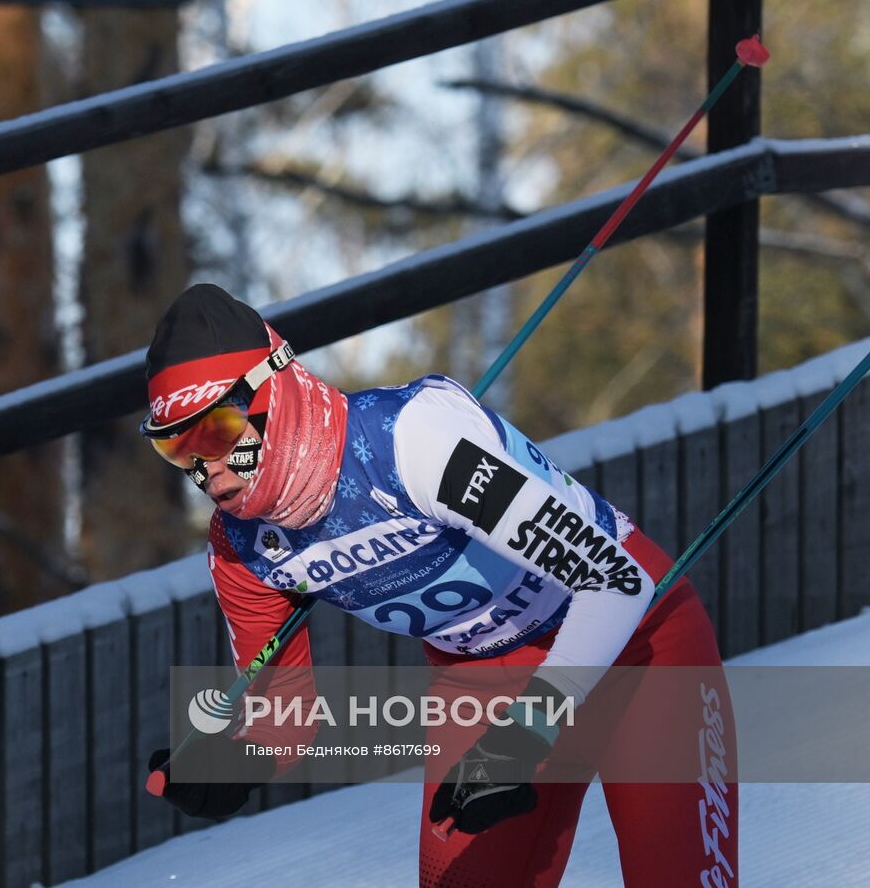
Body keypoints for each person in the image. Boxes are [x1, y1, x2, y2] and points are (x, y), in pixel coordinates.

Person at [139, 284, 737, 888]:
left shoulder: (414, 441)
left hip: (639, 646)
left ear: (273, 390)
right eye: (175, 447)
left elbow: (616, 582)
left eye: (216, 429)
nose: (203, 466)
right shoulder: (241, 548)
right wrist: (239, 762)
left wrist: (530, 728)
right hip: (483, 678)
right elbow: (284, 719)